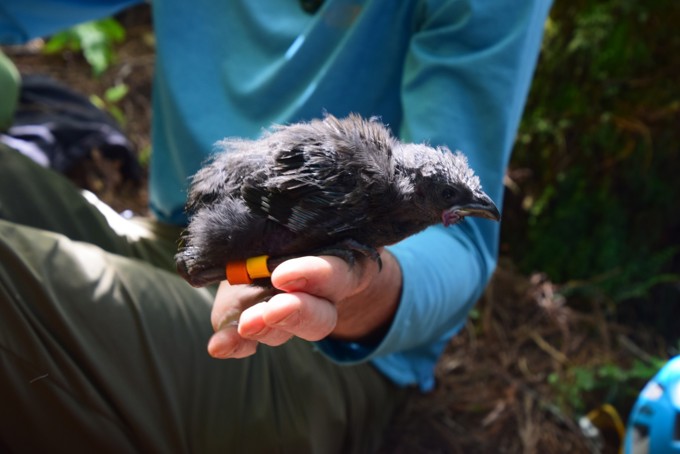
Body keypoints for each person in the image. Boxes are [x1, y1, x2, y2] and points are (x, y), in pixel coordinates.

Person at [0, 1, 552, 452]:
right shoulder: (365, 182)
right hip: (201, 247)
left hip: (317, 344)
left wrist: (358, 290)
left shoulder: (394, 191)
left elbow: (461, 248)